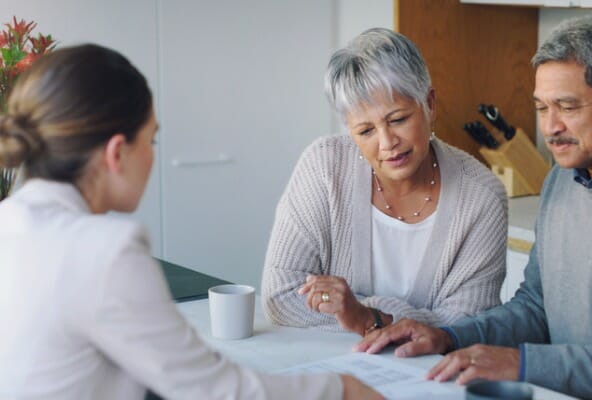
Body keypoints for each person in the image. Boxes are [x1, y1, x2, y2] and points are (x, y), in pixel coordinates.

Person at [354, 17, 592, 400]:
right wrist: (448, 336)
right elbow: (537, 307)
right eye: (542, 107)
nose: (550, 127)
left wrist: (523, 364)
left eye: (567, 106)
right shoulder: (562, 179)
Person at [0, 44, 380, 400]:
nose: (152, 157)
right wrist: (341, 389)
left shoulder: (11, 221)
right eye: (151, 141)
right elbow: (213, 391)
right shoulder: (105, 252)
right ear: (117, 152)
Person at [261, 27, 507, 336]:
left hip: (427, 375)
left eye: (398, 120)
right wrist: (414, 319)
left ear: (429, 105)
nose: (387, 142)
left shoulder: (482, 197)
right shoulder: (324, 167)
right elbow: (281, 298)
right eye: (366, 131)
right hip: (334, 368)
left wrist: (367, 316)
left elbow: (467, 326)